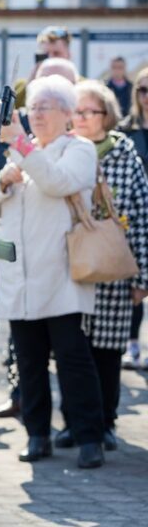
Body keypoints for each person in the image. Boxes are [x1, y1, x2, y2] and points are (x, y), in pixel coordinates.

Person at [0, 74, 106, 469]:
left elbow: (59, 183)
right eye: (33, 108)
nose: (35, 115)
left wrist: (22, 150)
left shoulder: (78, 149)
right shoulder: (26, 154)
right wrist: (3, 184)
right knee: (29, 360)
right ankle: (37, 434)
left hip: (60, 276)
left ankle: (89, 435)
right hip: (22, 278)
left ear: (65, 113)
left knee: (73, 358)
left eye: (44, 107)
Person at [65, 80, 148, 449]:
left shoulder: (125, 153)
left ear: (106, 115)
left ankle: (106, 422)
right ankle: (74, 423)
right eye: (77, 111)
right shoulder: (63, 150)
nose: (81, 118)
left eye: (89, 111)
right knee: (72, 351)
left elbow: (142, 216)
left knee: (107, 353)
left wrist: (142, 276)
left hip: (112, 269)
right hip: (70, 269)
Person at [117, 65, 148, 369]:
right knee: (135, 284)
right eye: (142, 89)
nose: (147, 96)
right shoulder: (126, 130)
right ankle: (133, 345)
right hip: (136, 218)